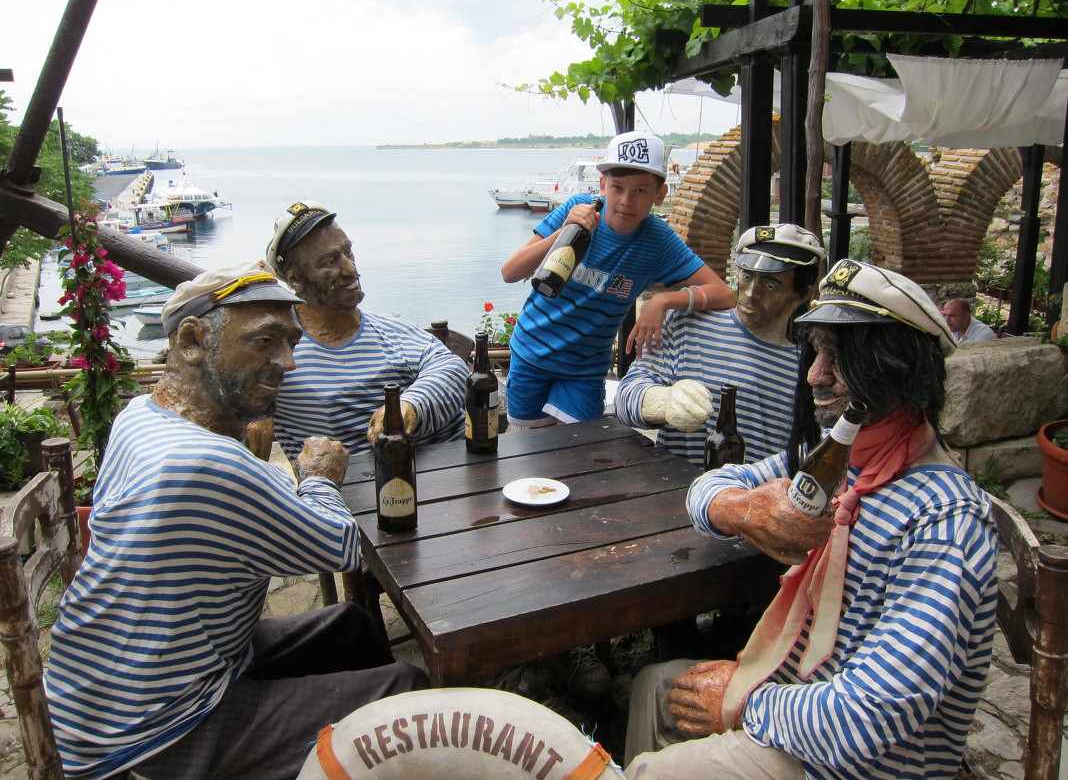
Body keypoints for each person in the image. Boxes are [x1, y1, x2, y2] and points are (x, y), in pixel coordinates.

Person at [44, 262, 429, 780]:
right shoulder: (206, 464)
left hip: (104, 694)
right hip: (151, 736)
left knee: (350, 625)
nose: (287, 362)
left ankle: (344, 763)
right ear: (191, 340)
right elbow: (341, 546)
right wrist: (318, 476)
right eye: (265, 341)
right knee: (407, 692)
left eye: (291, 342)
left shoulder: (140, 415)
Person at [624, 259, 999, 780]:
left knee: (650, 772)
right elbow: (708, 486)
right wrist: (741, 508)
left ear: (893, 366)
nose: (814, 374)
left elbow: (869, 716)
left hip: (860, 765)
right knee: (654, 690)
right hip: (797, 704)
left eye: (837, 357)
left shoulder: (944, 523)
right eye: (817, 350)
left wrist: (747, 700)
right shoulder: (841, 461)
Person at [500, 131, 735, 428]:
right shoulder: (577, 209)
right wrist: (565, 232)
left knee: (578, 450)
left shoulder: (657, 240)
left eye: (640, 191)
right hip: (531, 352)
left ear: (659, 195)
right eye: (617, 187)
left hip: (584, 368)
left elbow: (724, 294)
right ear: (602, 185)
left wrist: (664, 300)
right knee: (526, 446)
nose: (626, 201)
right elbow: (510, 272)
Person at [264, 201, 468, 460]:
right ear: (294, 279)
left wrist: (409, 406)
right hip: (349, 486)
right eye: (330, 261)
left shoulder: (389, 331)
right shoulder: (277, 350)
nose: (350, 269)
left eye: (348, 252)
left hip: (447, 465)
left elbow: (452, 369)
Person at [615, 223, 824, 467]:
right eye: (747, 277)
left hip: (755, 498)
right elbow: (624, 400)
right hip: (672, 492)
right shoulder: (686, 324)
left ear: (804, 293)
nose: (750, 293)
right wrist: (663, 401)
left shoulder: (815, 364)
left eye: (770, 285)